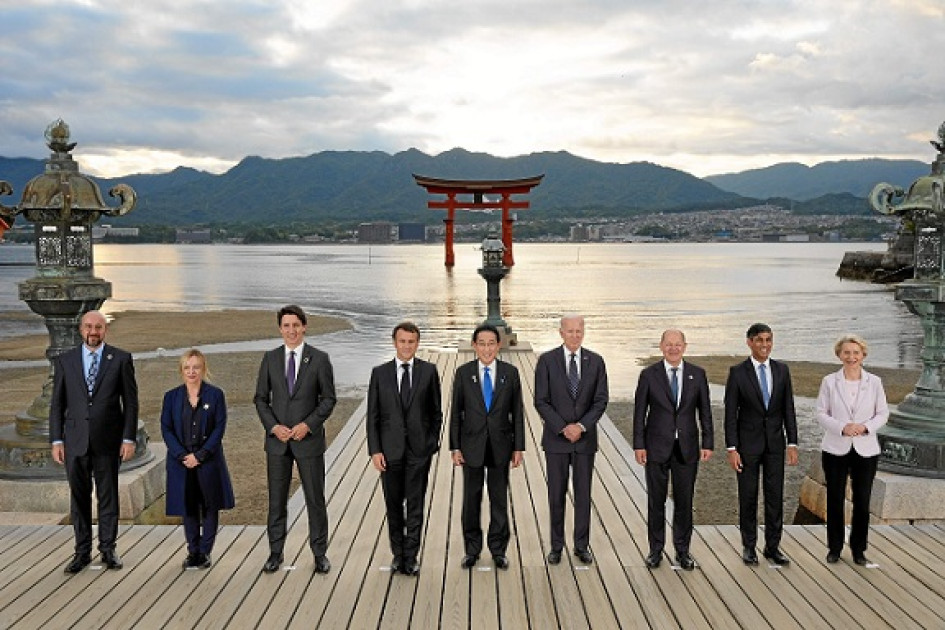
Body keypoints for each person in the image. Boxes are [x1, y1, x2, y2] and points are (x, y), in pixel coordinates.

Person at [49, 310, 138, 574]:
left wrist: (128, 438)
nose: (93, 332)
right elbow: (57, 404)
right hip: (74, 441)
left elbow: (130, 403)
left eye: (98, 327)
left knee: (108, 496)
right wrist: (56, 440)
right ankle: (82, 552)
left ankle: (108, 549)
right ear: (81, 329)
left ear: (105, 330)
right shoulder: (65, 361)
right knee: (79, 498)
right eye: (88, 326)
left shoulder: (120, 359)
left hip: (108, 441)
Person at [254, 305, 337, 574]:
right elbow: (260, 399)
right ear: (280, 329)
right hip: (277, 443)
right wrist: (273, 427)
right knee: (276, 501)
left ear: (304, 327)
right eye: (286, 326)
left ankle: (320, 554)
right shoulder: (270, 358)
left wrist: (308, 425)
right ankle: (275, 553)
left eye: (296, 325)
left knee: (315, 500)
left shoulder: (320, 359)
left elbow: (328, 399)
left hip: (308, 442)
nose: (291, 330)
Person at [367, 322, 443, 576]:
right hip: (389, 452)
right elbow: (373, 416)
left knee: (415, 505)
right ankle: (397, 555)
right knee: (393, 505)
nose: (407, 346)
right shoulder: (380, 373)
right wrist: (375, 450)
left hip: (419, 452)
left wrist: (431, 444)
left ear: (417, 343)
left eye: (411, 342)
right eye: (402, 341)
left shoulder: (429, 372)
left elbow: (436, 413)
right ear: (394, 343)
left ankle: (411, 557)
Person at [633, 329, 713, 571]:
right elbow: (639, 413)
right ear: (661, 346)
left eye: (678, 344)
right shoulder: (649, 375)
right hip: (656, 447)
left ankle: (682, 551)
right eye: (669, 344)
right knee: (656, 501)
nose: (673, 348)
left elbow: (705, 412)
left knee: (684, 502)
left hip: (687, 448)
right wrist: (639, 444)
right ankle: (655, 550)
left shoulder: (698, 374)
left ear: (685, 347)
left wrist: (708, 442)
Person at [534, 314, 609, 565]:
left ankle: (581, 546)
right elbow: (541, 400)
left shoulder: (596, 361)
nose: (575, 336)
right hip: (556, 441)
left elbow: (601, 400)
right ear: (561, 333)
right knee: (556, 495)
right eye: (570, 331)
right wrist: (562, 427)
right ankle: (556, 546)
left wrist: (581, 426)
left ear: (583, 332)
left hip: (584, 441)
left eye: (579, 331)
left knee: (583, 495)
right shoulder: (547, 361)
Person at [449, 324, 525, 570]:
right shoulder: (463, 373)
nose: (487, 349)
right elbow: (455, 413)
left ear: (499, 345)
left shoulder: (510, 373)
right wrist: (455, 447)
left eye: (491, 343)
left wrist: (518, 447)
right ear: (474, 346)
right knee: (471, 500)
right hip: (471, 446)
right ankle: (472, 550)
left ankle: (498, 550)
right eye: (481, 344)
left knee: (499, 499)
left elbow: (517, 413)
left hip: (501, 445)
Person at [724, 323, 798, 566]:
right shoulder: (737, 372)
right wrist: (732, 448)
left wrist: (792, 443)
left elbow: (788, 408)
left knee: (775, 497)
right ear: (750, 342)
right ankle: (749, 547)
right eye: (759, 340)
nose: (765, 344)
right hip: (747, 446)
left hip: (775, 444)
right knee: (748, 497)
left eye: (768, 340)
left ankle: (772, 547)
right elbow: (730, 414)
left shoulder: (782, 370)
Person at [815, 334, 888, 566]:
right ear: (839, 355)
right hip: (835, 448)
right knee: (835, 499)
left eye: (856, 353)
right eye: (846, 352)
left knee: (863, 501)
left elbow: (883, 413)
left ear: (863, 355)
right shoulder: (829, 381)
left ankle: (859, 549)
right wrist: (842, 428)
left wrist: (865, 427)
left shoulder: (874, 382)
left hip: (866, 449)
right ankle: (834, 548)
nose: (851, 357)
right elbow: (821, 413)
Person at [160, 349, 235, 570]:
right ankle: (192, 551)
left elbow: (219, 428)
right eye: (187, 367)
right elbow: (166, 429)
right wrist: (182, 455)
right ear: (181, 370)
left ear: (203, 369)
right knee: (188, 506)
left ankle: (205, 552)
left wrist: (200, 456)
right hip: (181, 462)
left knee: (210, 505)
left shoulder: (216, 395)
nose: (191, 372)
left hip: (208, 460)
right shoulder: (171, 397)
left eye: (196, 367)